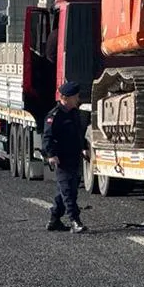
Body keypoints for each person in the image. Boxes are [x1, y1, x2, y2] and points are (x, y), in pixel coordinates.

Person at [42, 81, 89, 234]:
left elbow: (78, 133)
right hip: (61, 159)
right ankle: (75, 220)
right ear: (65, 98)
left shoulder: (74, 113)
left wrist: (83, 148)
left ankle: (54, 220)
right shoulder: (54, 115)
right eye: (75, 97)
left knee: (67, 190)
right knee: (68, 192)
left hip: (74, 157)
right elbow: (47, 137)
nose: (77, 99)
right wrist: (51, 155)